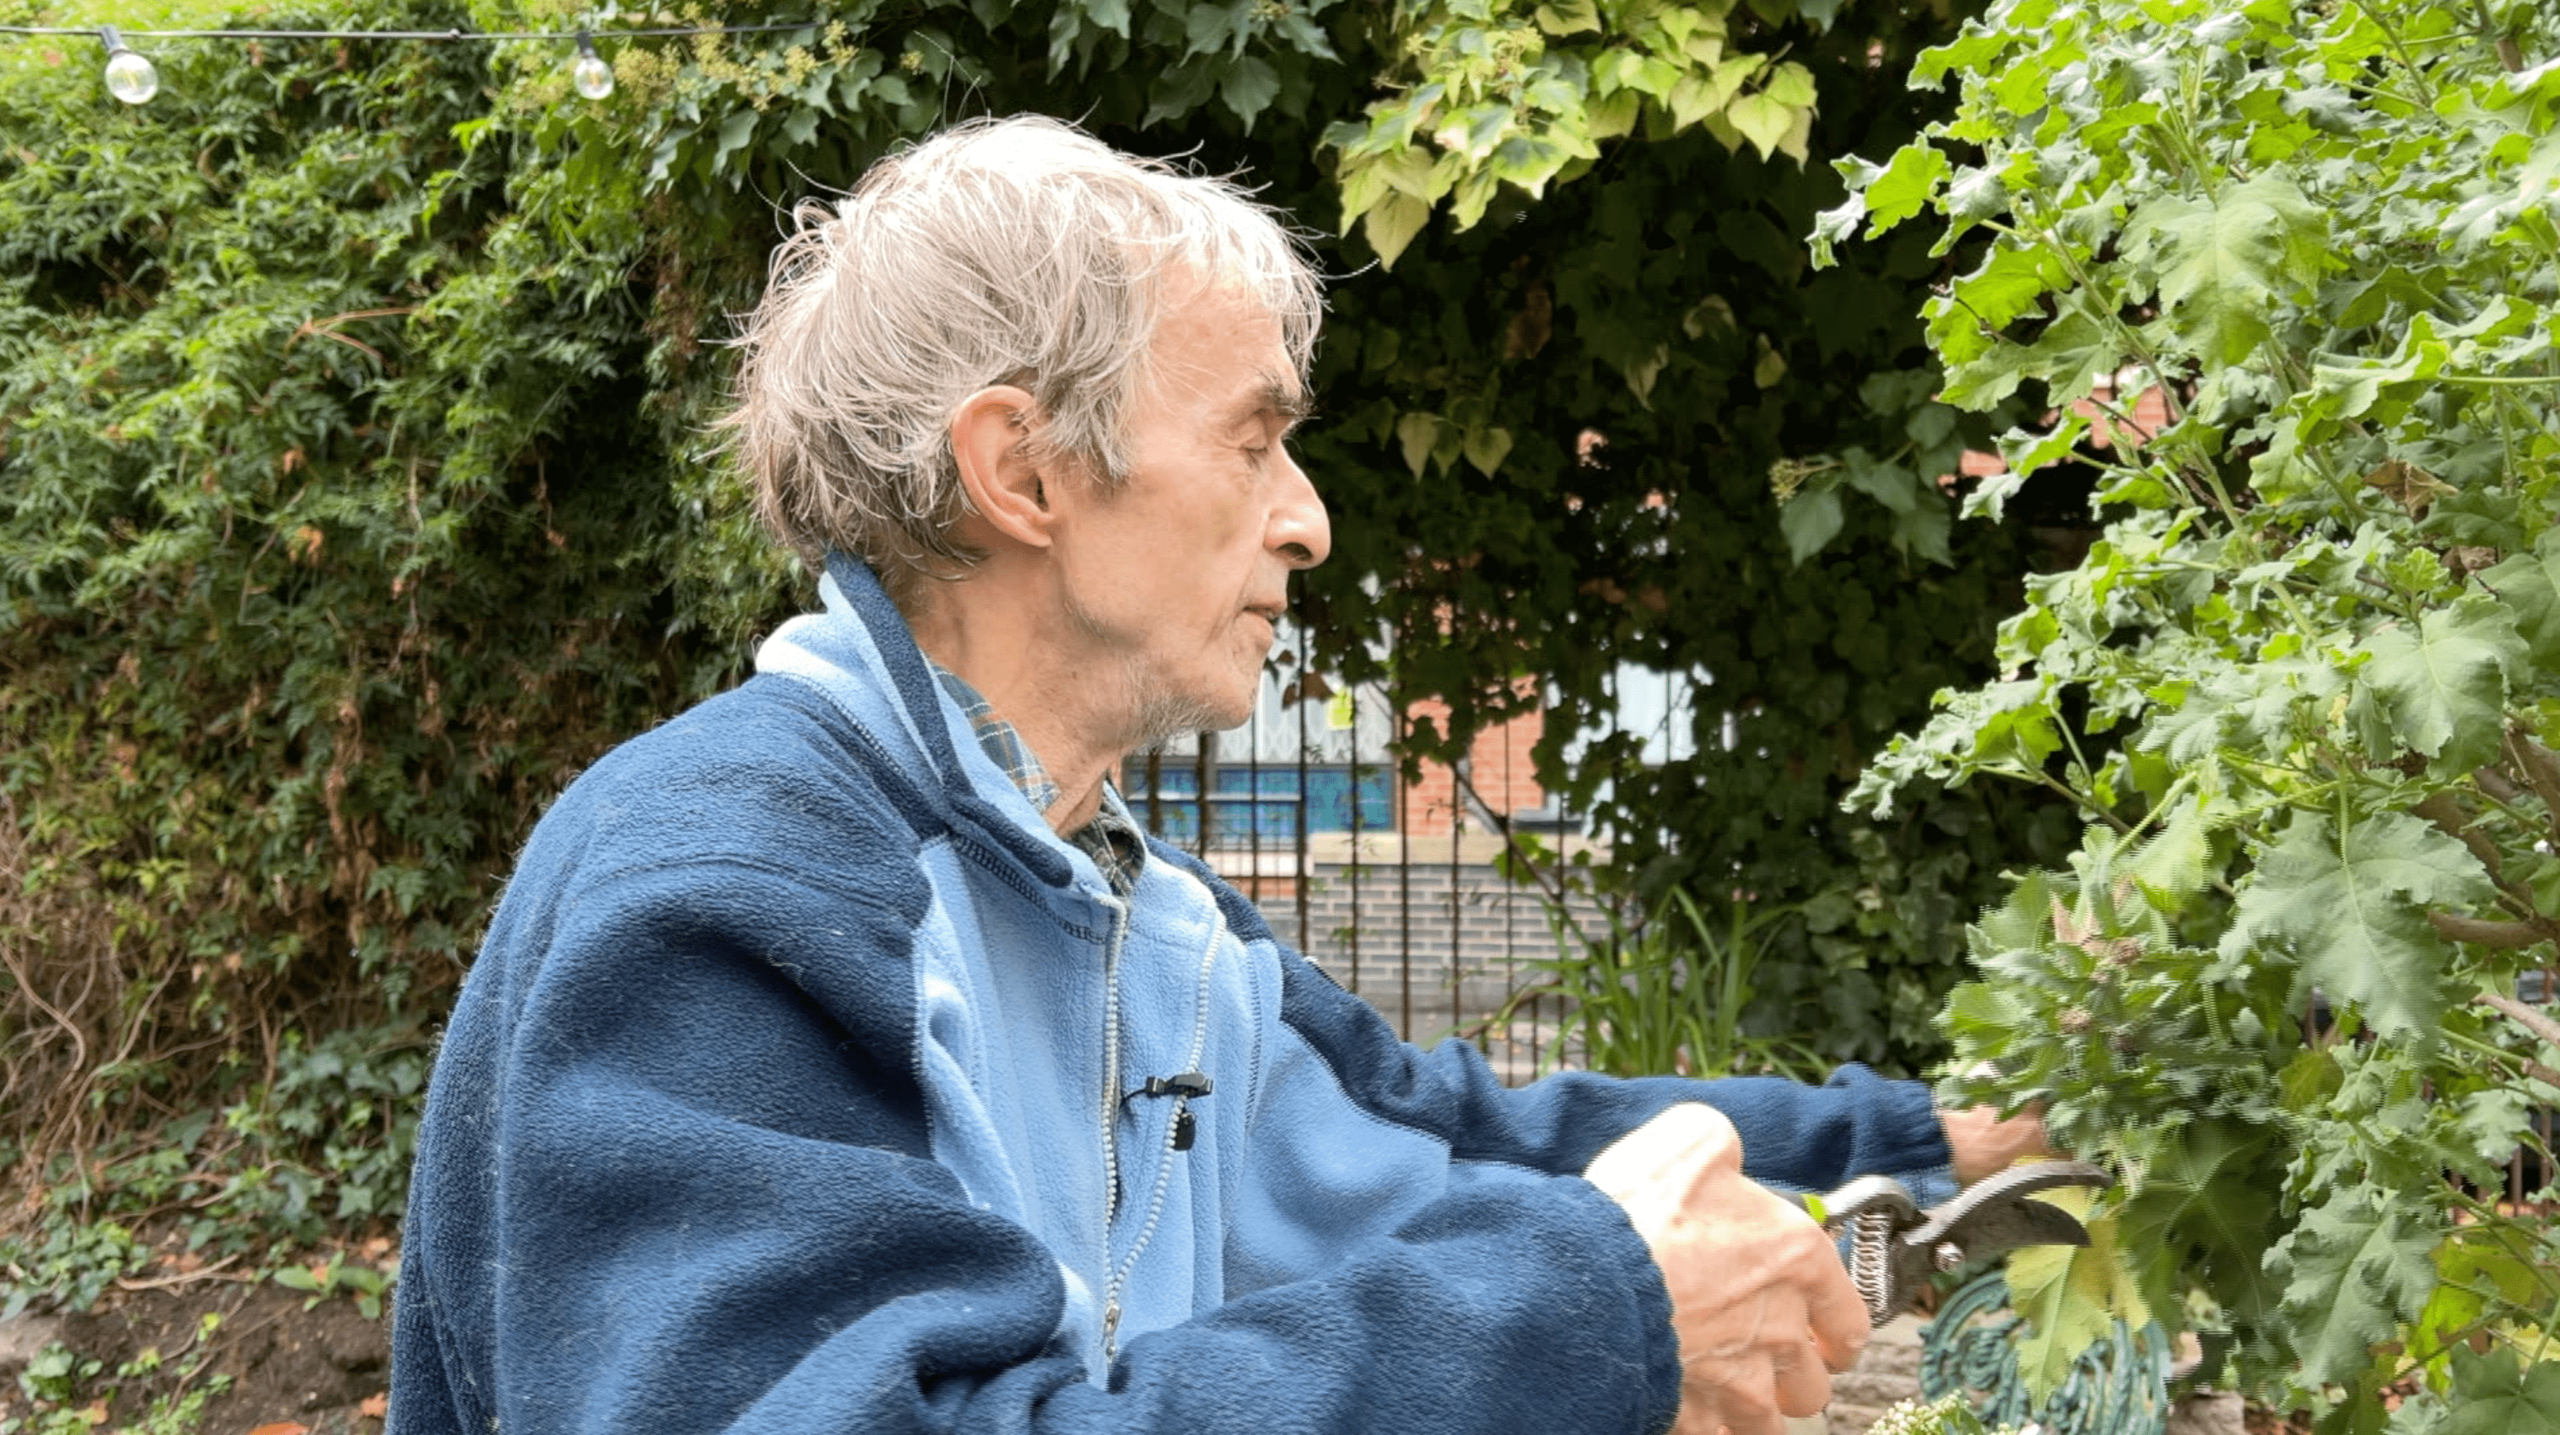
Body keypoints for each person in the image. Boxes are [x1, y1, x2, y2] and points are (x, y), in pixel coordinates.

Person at [386, 115, 2045, 1435]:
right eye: (1253, 440)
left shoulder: (1151, 930)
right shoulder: (730, 885)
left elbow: (1458, 1142)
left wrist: (1935, 1142)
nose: (1308, 518)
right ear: (1023, 469)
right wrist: (1580, 1316)